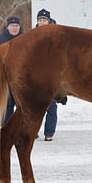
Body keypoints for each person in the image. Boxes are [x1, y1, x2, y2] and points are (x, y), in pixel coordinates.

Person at [0, 16, 23, 123]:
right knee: (7, 106)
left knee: (22, 105)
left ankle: (23, 129)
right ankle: (6, 127)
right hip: (5, 78)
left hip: (20, 79)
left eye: (17, 26)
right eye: (12, 26)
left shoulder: (25, 39)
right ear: (7, 27)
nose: (15, 28)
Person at [36, 8, 58, 141]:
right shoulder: (32, 35)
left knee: (51, 106)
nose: (41, 22)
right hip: (36, 76)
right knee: (35, 107)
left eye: (44, 20)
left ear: (48, 22)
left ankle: (49, 133)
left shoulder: (55, 36)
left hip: (51, 77)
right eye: (39, 20)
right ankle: (33, 131)